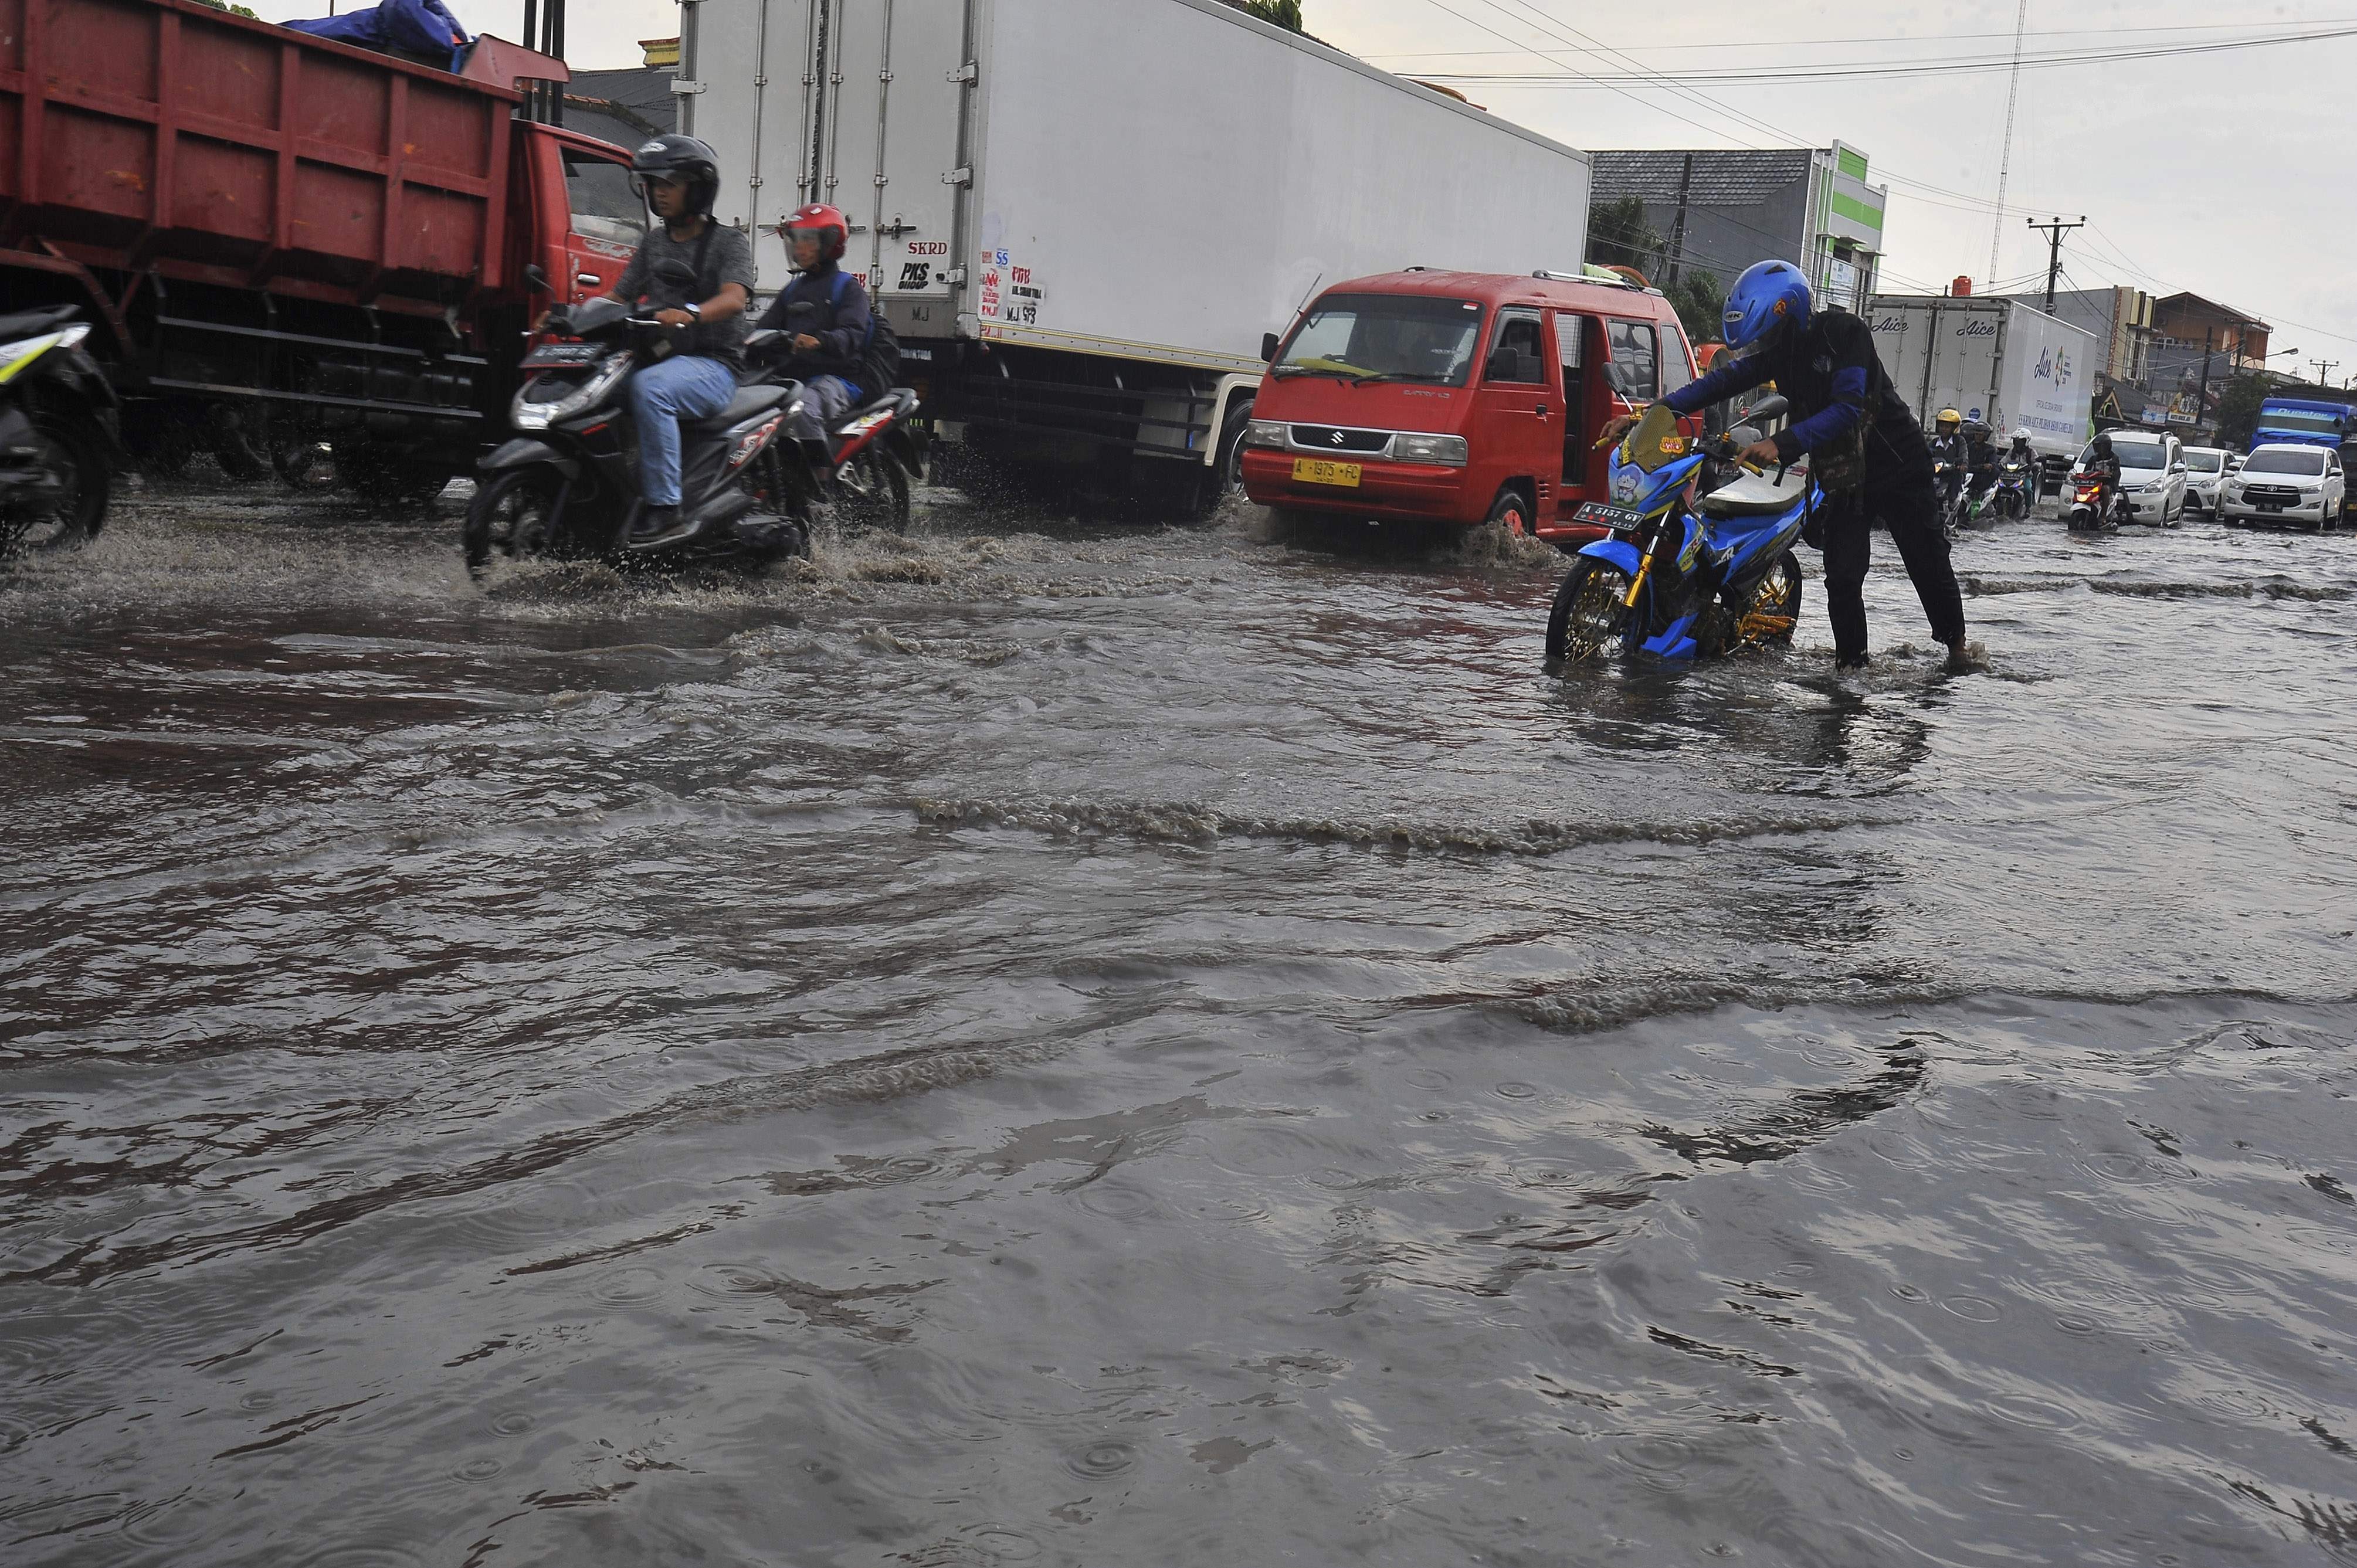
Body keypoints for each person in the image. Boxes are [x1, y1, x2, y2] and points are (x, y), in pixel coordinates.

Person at [1600, 259, 1969, 672]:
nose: (1762, 346)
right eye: (1758, 341)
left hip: (1898, 465)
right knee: (1842, 578)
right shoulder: (1778, 355)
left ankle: (1957, 650)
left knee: (1927, 563)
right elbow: (1718, 383)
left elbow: (1847, 408)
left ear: (1789, 316)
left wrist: (1780, 442)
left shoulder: (1845, 335)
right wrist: (1651, 414)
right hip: (1848, 476)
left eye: (1768, 335)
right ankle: (1852, 670)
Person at [606, 135, 755, 545]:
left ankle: (665, 509)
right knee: (584, 383)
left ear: (698, 187)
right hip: (657, 356)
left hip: (713, 365)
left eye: (668, 183)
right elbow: (617, 296)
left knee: (650, 390)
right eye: (653, 184)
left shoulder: (728, 242)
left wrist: (690, 314)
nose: (659, 193)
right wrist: (571, 313)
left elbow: (734, 298)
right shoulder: (653, 242)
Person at [754, 204, 873, 442]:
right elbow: (763, 329)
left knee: (804, 412)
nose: (800, 247)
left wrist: (819, 341)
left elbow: (852, 334)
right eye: (796, 240)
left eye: (808, 240)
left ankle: (819, 477)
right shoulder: (793, 290)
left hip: (836, 379)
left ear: (829, 243)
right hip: (793, 377)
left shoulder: (847, 287)